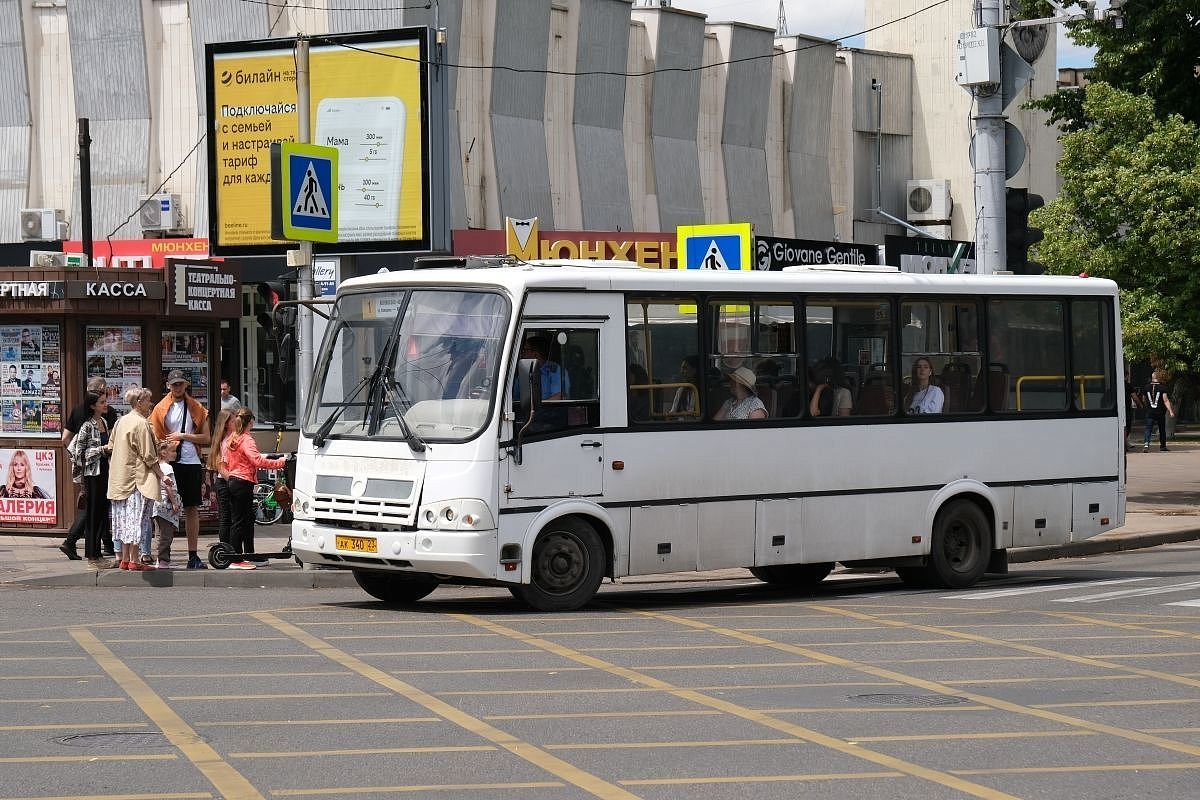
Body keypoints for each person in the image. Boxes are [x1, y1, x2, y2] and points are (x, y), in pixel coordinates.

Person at [150, 370, 210, 569]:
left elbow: (206, 438)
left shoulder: (197, 407)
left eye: (180, 384)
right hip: (169, 461)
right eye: (174, 384)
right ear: (168, 386)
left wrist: (183, 436)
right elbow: (155, 436)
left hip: (191, 461)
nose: (177, 388)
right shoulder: (160, 409)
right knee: (164, 508)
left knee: (191, 507)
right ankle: (163, 555)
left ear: (185, 385)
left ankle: (193, 555)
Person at [219, 407, 286, 569]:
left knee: (243, 520)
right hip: (243, 482)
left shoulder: (233, 438)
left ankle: (246, 555)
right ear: (251, 422)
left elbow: (227, 460)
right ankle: (235, 559)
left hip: (234, 480)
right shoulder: (246, 439)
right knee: (240, 521)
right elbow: (256, 460)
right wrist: (280, 463)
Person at [60, 377, 118, 560]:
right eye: (102, 400)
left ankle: (99, 550)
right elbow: (78, 451)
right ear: (93, 403)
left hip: (104, 471)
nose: (106, 403)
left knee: (101, 510)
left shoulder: (105, 422)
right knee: (92, 511)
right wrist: (81, 464)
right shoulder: (86, 425)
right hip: (91, 473)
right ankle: (90, 551)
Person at [108, 387, 161, 571]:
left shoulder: (121, 421)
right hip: (137, 480)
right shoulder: (141, 423)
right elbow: (148, 455)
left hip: (120, 479)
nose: (150, 404)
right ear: (139, 402)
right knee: (138, 519)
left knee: (124, 520)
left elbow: (111, 446)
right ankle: (135, 559)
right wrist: (163, 476)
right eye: (148, 401)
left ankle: (125, 559)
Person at [206, 409, 237, 546]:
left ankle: (230, 547)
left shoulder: (234, 438)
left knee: (232, 517)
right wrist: (234, 480)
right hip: (226, 482)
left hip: (230, 480)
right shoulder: (223, 441)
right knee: (226, 517)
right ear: (225, 424)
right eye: (232, 420)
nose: (236, 421)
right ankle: (225, 548)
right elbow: (221, 467)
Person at [152, 440, 183, 569]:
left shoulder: (157, 466)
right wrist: (174, 503)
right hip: (166, 504)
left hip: (157, 504)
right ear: (164, 453)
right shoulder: (167, 467)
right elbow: (169, 486)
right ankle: (163, 559)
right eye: (172, 451)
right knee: (167, 534)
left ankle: (161, 558)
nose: (175, 454)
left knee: (159, 533)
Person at [520, 335, 568, 401]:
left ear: (535, 353)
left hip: (548, 410)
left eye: (525, 350)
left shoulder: (555, 370)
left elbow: (558, 396)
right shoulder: (524, 370)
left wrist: (536, 407)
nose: (522, 354)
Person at [1142, 369, 1175, 452]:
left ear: (1152, 377)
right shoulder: (1163, 387)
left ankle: (1146, 444)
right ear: (1159, 377)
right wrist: (1170, 411)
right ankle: (1163, 446)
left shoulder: (1146, 387)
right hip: (1160, 412)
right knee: (1162, 429)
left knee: (1148, 428)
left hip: (1150, 412)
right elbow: (1166, 400)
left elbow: (1144, 399)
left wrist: (1147, 406)